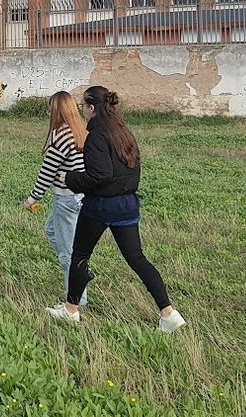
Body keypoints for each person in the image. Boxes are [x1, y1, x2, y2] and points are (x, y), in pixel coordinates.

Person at [48, 86, 185, 333]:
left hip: (101, 206)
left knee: (79, 255)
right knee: (137, 258)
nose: (82, 111)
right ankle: (168, 313)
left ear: (91, 108)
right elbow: (128, 170)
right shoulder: (123, 131)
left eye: (83, 106)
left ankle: (70, 310)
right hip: (127, 204)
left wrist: (70, 178)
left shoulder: (96, 137)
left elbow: (100, 175)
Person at [25, 91, 90, 307]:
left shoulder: (60, 135)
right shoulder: (80, 130)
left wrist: (33, 198)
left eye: (49, 108)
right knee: (52, 231)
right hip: (80, 196)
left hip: (66, 199)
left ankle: (75, 301)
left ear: (56, 111)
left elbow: (47, 171)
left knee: (67, 253)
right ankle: (81, 272)